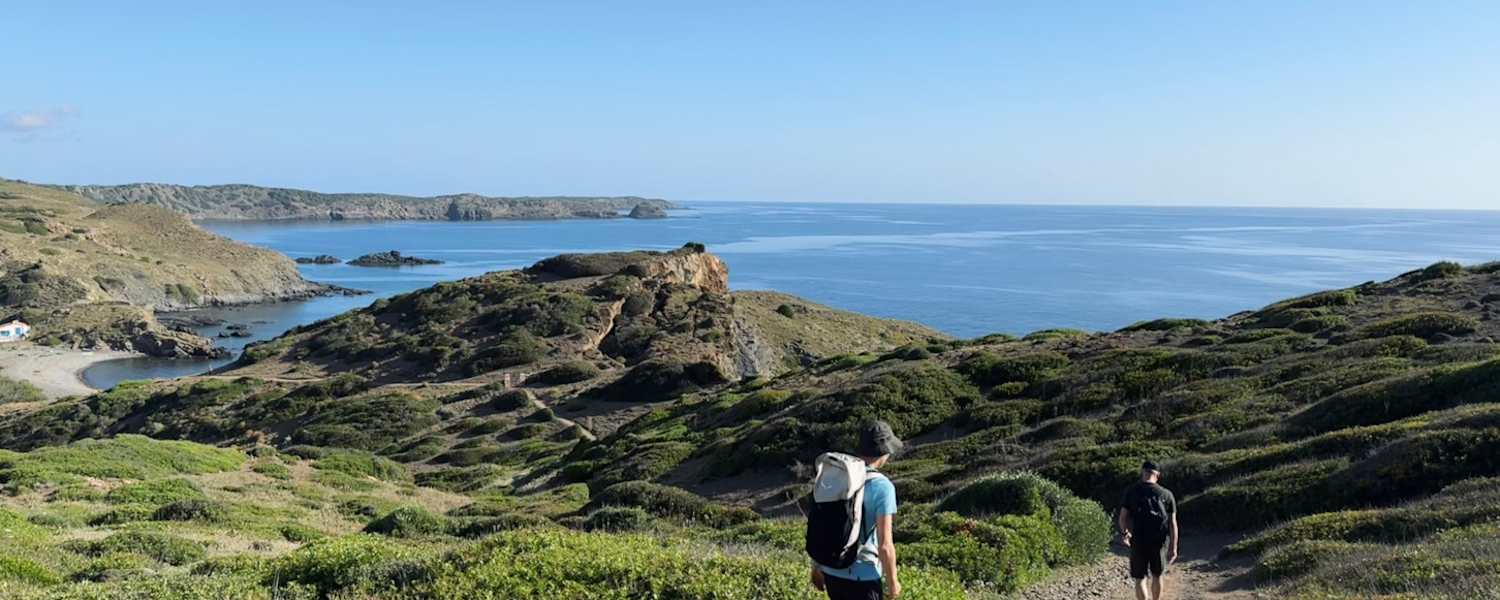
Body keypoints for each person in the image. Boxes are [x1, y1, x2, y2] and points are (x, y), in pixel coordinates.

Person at [811, 420, 903, 600]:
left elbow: (822, 525)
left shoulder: (838, 478)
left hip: (832, 571)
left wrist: (816, 567)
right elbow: (885, 545)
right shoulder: (882, 486)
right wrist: (893, 583)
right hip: (864, 576)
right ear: (885, 452)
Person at [1117, 460, 1179, 600]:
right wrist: (1173, 547)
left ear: (1143, 473)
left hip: (1138, 540)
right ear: (1157, 475)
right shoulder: (1167, 494)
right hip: (1159, 541)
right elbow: (1173, 523)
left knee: (1140, 578)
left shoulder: (1131, 491)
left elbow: (1122, 518)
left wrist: (1125, 533)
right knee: (1157, 575)